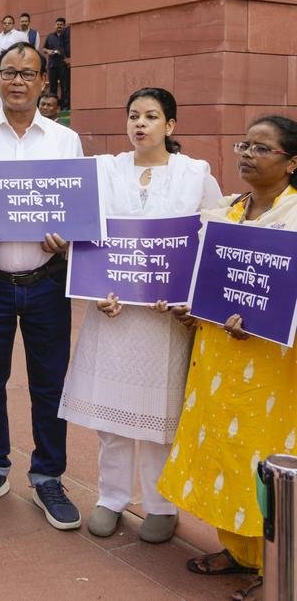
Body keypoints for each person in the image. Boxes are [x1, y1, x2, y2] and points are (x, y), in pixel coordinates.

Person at [59, 88, 220, 543]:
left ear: (171, 125)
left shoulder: (195, 174)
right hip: (113, 313)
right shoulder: (106, 170)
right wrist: (94, 292)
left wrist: (189, 300)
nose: (140, 124)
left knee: (158, 418)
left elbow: (211, 239)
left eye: (151, 116)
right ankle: (110, 497)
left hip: (164, 320)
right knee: (111, 419)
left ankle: (160, 504)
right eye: (134, 116)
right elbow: (86, 236)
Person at [0, 42, 85, 530]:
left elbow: (75, 206)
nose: (18, 81)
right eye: (9, 72)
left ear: (44, 81)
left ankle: (48, 476)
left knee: (50, 385)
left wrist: (66, 237)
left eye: (28, 73)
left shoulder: (65, 140)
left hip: (47, 280)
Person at [159, 115, 297, 601]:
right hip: (217, 357)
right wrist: (191, 309)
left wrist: (262, 320)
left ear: (291, 163)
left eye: (261, 148)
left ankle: (276, 563)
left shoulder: (294, 219)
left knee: (263, 456)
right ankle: (239, 551)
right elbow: (208, 280)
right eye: (244, 145)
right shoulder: (227, 211)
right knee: (224, 452)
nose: (247, 155)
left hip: (272, 367)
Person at [0, 15, 29, 114]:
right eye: (5, 23)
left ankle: (11, 114)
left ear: (13, 24)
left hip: (13, 69)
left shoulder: (19, 35)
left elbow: (26, 50)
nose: (7, 25)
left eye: (9, 23)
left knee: (10, 91)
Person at [43, 18, 71, 109]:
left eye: (61, 24)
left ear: (64, 26)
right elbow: (44, 48)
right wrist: (48, 51)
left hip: (64, 65)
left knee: (65, 87)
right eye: (57, 24)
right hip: (52, 66)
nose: (59, 26)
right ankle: (53, 106)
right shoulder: (50, 36)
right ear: (55, 25)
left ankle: (64, 107)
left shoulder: (68, 36)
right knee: (52, 87)